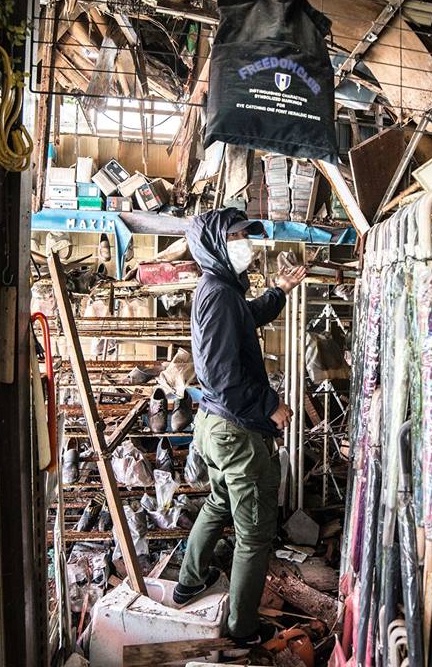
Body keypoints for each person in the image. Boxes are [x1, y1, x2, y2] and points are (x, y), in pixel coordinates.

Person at [173, 207, 306, 646]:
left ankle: (190, 580)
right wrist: (271, 406)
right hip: (235, 430)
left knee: (218, 502)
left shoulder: (222, 290)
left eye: (248, 233)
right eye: (238, 235)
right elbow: (222, 376)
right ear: (215, 242)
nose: (246, 241)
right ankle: (241, 628)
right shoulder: (217, 295)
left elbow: (245, 321)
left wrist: (280, 291)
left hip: (214, 427)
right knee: (254, 532)